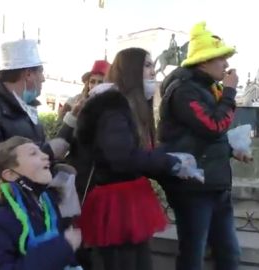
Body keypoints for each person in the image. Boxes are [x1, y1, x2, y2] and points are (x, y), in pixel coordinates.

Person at [75, 47, 199, 270]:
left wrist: (172, 162)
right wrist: (170, 162)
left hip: (126, 197)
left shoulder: (129, 103)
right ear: (131, 69)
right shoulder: (113, 105)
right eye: (147, 65)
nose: (153, 72)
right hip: (116, 202)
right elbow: (122, 157)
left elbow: (136, 153)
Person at [157, 22, 250, 270]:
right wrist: (230, 93)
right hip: (194, 189)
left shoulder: (207, 89)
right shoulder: (184, 91)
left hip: (216, 185)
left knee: (229, 253)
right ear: (204, 62)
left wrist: (232, 151)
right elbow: (213, 125)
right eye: (221, 59)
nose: (227, 65)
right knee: (192, 254)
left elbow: (204, 138)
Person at [0, 39, 69, 242]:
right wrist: (48, 151)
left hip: (28, 213)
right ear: (28, 74)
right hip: (0, 218)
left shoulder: (26, 109)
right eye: (40, 72)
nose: (43, 79)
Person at [0, 136, 82, 270]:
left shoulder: (46, 202)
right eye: (33, 153)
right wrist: (62, 247)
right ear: (10, 175)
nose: (45, 156)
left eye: (40, 151)